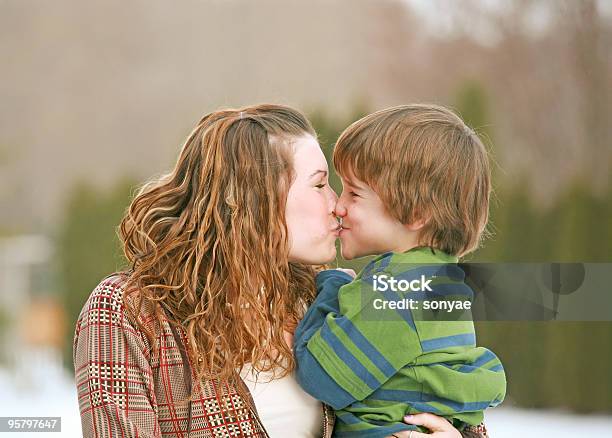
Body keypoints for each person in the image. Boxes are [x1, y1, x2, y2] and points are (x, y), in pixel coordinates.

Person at [73, 104, 486, 437]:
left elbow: (446, 395)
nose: (337, 205)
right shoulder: (129, 311)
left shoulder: (331, 297)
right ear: (255, 199)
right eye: (321, 184)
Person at [294, 104, 506, 437]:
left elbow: (320, 376)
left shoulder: (400, 291)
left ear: (415, 213)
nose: (338, 206)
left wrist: (331, 289)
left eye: (354, 192)